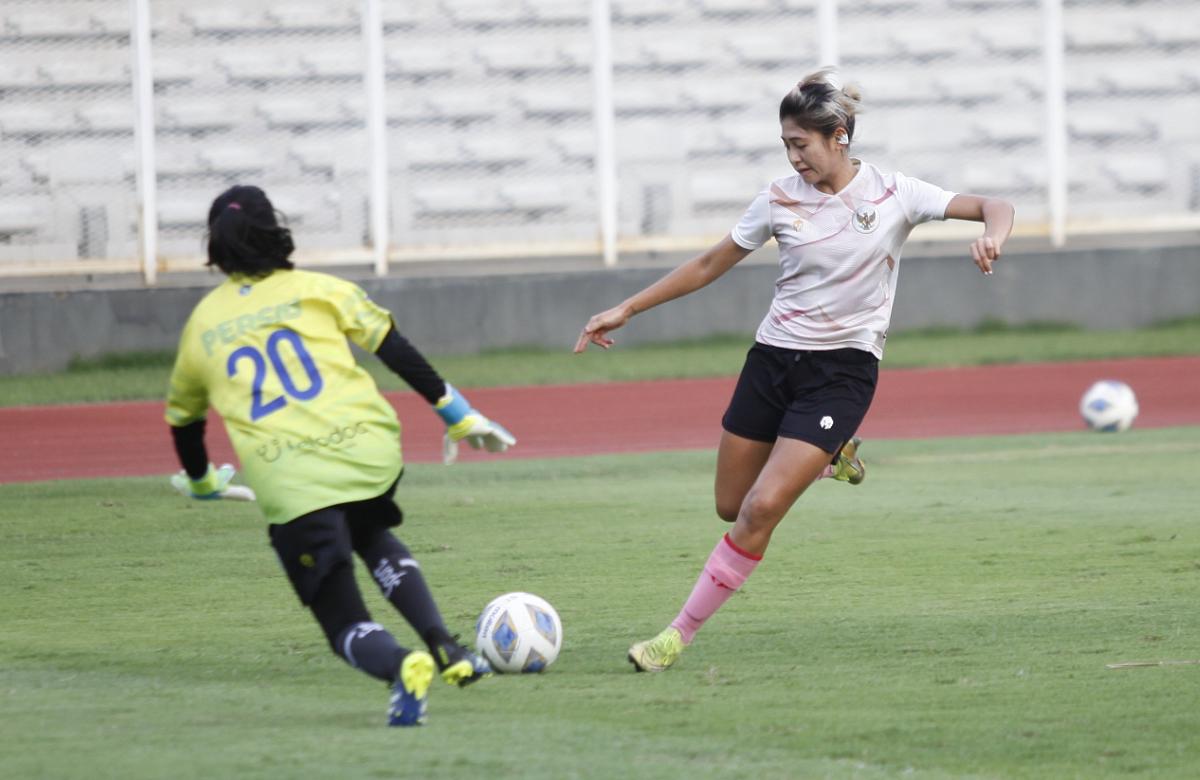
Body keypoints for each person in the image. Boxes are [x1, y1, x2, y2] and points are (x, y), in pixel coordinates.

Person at [574, 68, 1014, 672]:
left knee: (761, 509)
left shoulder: (895, 193)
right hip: (772, 362)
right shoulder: (778, 197)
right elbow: (708, 264)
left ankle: (675, 636)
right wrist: (628, 308)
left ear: (839, 137)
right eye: (786, 145)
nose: (793, 157)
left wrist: (993, 236)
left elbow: (995, 205)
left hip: (842, 374)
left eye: (801, 144)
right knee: (732, 505)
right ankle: (833, 455)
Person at [164, 184, 516, 725]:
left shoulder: (203, 325)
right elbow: (396, 350)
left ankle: (401, 665)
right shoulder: (321, 289)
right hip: (366, 451)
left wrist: (202, 479)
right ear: (276, 231)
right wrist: (460, 415)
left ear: (216, 246)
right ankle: (445, 645)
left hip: (293, 479)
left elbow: (185, 421)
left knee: (341, 617)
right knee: (369, 533)